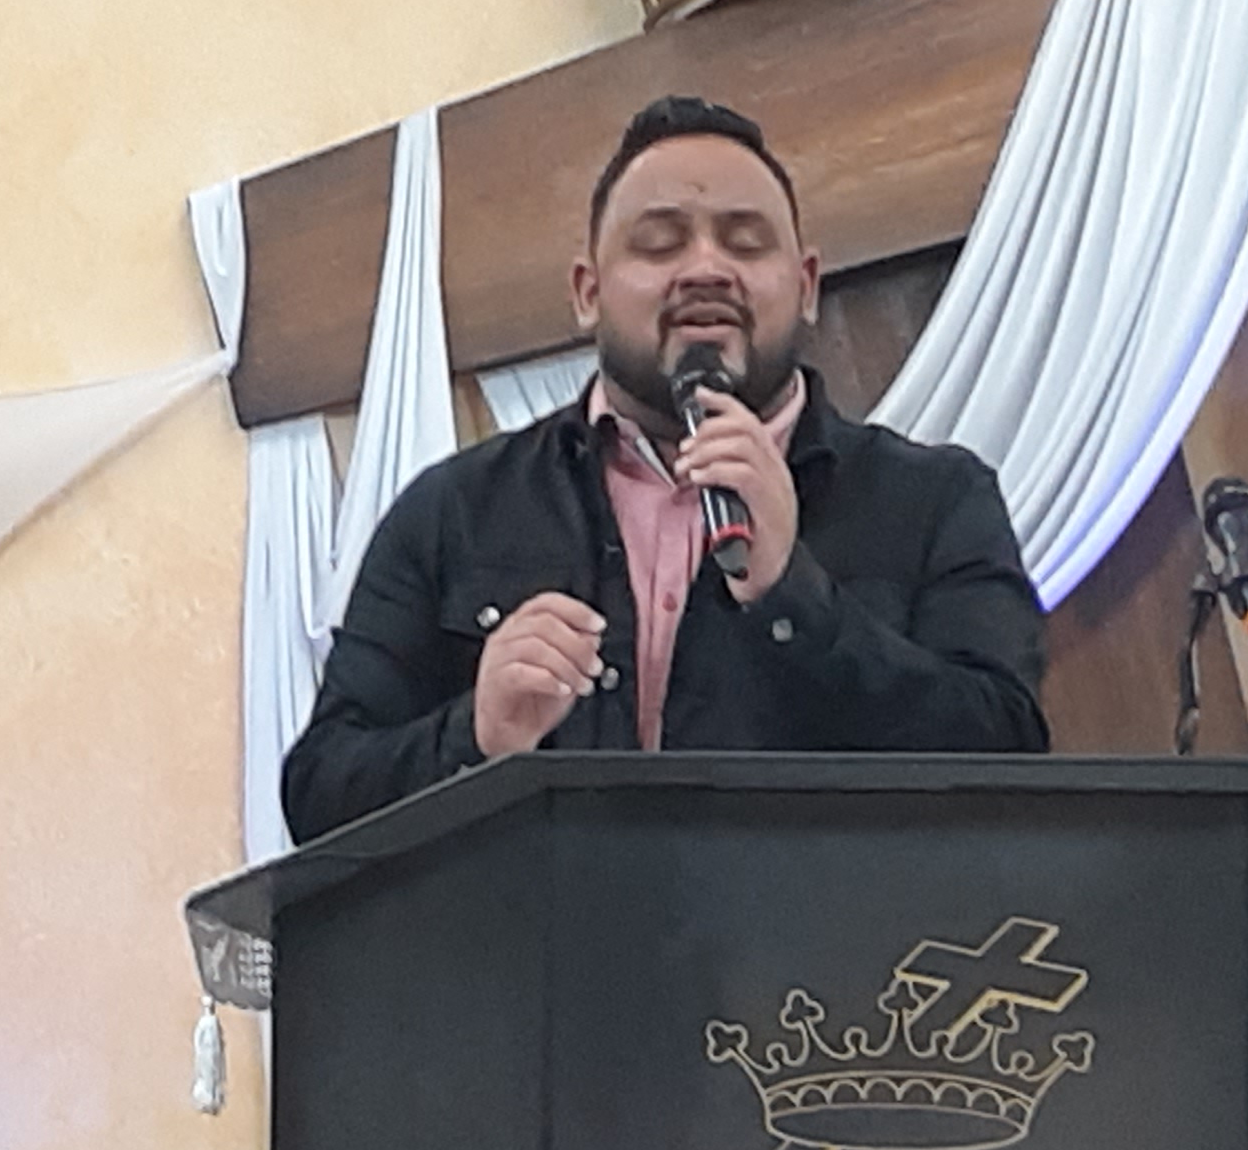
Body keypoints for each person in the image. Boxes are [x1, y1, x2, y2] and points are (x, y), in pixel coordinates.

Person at [277, 94, 1048, 841]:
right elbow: (320, 793)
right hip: (544, 931)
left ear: (806, 285)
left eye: (746, 242)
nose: (706, 267)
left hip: (829, 934)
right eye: (658, 243)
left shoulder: (934, 500)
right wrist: (477, 734)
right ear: (587, 293)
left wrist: (795, 597)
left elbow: (1006, 762)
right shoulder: (456, 510)